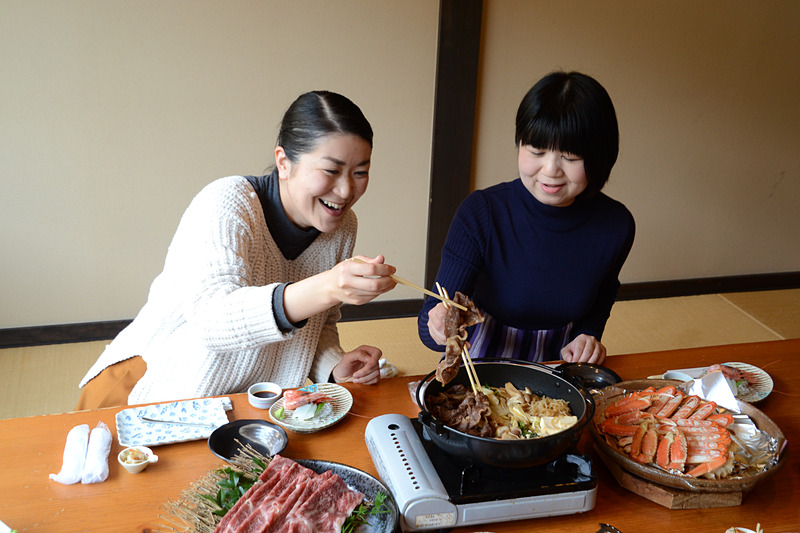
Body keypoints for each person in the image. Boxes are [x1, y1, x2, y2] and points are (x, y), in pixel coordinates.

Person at [77, 90, 397, 409]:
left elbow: (318, 323)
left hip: (237, 402)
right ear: (284, 163)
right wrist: (326, 287)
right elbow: (211, 319)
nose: (346, 190)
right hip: (152, 387)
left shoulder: (343, 226)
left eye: (360, 172)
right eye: (331, 170)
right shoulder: (227, 202)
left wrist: (333, 366)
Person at [418, 71, 635, 365]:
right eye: (536, 150)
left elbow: (603, 294)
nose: (550, 170)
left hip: (560, 364)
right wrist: (439, 326)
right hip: (481, 361)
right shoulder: (482, 213)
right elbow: (429, 323)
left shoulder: (615, 225)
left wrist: (588, 334)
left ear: (600, 157)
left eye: (570, 157)